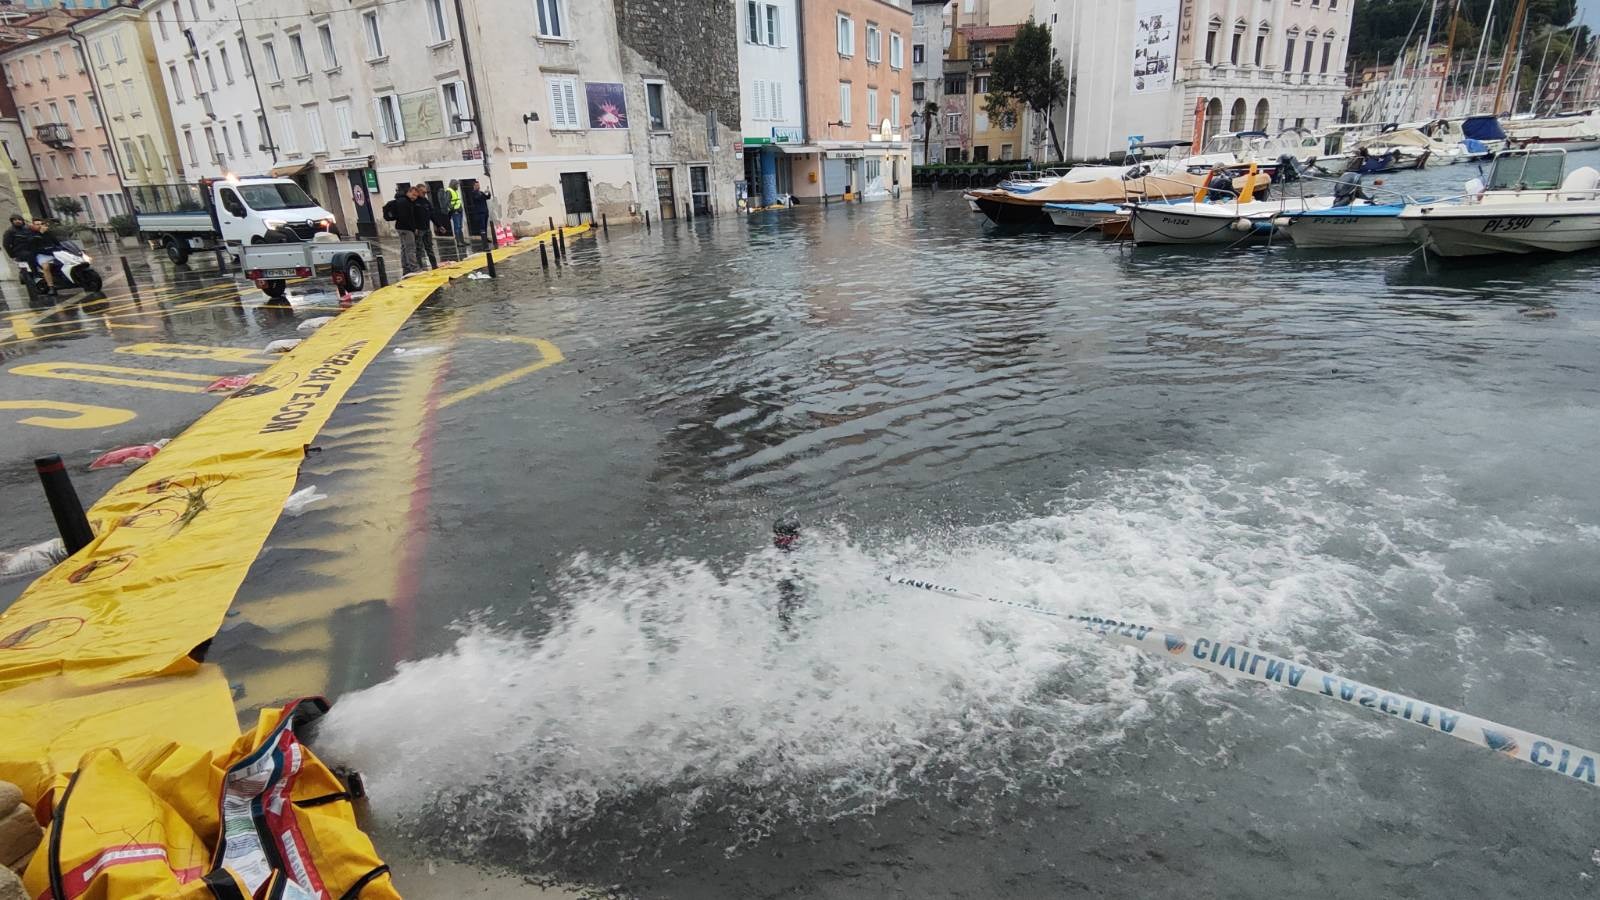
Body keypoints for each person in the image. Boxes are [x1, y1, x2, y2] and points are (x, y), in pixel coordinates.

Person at [382, 185, 428, 275]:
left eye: (416, 196)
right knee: (410, 248)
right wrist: (413, 228)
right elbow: (407, 217)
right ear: (409, 192)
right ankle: (414, 268)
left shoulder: (401, 200)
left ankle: (406, 268)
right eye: (414, 195)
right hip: (406, 228)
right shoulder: (405, 202)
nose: (415, 198)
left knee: (404, 248)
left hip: (400, 227)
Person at [25, 219, 62, 293]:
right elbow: (31, 243)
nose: (40, 225)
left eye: (41, 224)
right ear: (33, 225)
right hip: (41, 254)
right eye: (37, 224)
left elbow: (57, 242)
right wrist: (40, 234)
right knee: (46, 267)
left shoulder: (48, 232)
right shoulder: (31, 234)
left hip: (53, 253)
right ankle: (51, 287)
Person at [413, 188, 440, 269]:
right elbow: (411, 216)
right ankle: (420, 267)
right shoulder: (414, 201)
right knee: (419, 249)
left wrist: (439, 225)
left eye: (425, 192)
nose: (424, 193)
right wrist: (414, 228)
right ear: (418, 191)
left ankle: (434, 266)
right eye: (423, 192)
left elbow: (432, 214)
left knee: (429, 248)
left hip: (427, 228)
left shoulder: (426, 201)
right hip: (419, 229)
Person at [463, 179, 490, 248]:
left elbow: (487, 197)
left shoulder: (481, 192)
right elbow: (476, 198)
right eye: (477, 185)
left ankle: (485, 238)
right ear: (474, 186)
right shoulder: (473, 193)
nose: (478, 186)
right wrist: (481, 193)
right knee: (482, 227)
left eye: (479, 185)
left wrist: (488, 192)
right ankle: (484, 241)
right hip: (479, 212)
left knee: (485, 226)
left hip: (485, 211)